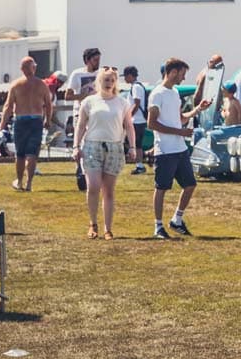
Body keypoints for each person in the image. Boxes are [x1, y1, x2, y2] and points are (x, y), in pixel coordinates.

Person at [74, 66, 136, 240]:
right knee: (93, 186)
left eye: (112, 80)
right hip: (92, 146)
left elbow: (129, 126)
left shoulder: (122, 103)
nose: (109, 83)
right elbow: (80, 125)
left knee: (108, 190)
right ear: (99, 81)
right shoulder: (89, 101)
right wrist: (76, 146)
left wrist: (132, 147)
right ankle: (93, 223)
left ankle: (108, 229)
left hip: (114, 147)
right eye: (106, 80)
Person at [148, 59, 197, 239]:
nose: (184, 78)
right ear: (173, 72)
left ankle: (177, 220)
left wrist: (197, 109)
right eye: (182, 74)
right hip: (165, 150)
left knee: (190, 185)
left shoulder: (175, 92)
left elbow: (180, 118)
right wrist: (180, 132)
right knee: (161, 188)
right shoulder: (157, 94)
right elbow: (152, 123)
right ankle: (158, 227)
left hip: (179, 149)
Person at [0, 56, 54, 192]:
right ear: (33, 68)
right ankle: (29, 183)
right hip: (36, 120)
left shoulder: (16, 84)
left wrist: (2, 125)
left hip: (21, 120)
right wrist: (48, 119)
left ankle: (19, 181)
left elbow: (8, 106)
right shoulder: (42, 84)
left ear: (22, 69)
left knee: (20, 154)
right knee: (32, 153)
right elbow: (48, 104)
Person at [123, 65, 151, 174]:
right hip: (139, 120)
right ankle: (139, 163)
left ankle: (141, 163)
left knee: (132, 142)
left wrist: (128, 117)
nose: (125, 78)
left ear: (130, 75)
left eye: (126, 76)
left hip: (137, 120)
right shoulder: (137, 86)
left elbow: (136, 103)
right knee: (136, 144)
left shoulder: (136, 87)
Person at [191, 53, 226, 127]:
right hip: (207, 113)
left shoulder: (210, 72)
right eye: (220, 65)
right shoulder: (206, 74)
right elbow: (197, 94)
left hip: (210, 110)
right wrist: (197, 110)